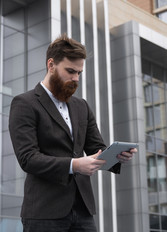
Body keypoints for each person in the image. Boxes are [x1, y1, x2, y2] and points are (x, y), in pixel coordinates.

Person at [9, 34, 137, 232]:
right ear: (51, 65)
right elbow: (28, 158)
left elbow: (96, 148)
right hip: (44, 213)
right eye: (70, 71)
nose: (75, 79)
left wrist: (116, 156)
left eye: (79, 73)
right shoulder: (24, 103)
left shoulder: (81, 107)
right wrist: (75, 165)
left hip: (83, 211)